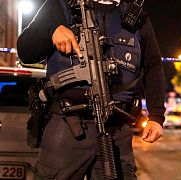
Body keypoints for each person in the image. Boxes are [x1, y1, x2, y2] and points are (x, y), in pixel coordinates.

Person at [17, 0, 166, 179]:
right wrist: (51, 30)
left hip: (116, 129)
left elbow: (153, 66)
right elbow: (25, 51)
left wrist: (156, 116)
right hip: (67, 127)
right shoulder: (62, 4)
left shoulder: (134, 15)